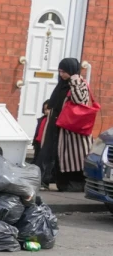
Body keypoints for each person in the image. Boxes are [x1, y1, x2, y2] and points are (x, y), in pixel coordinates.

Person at [38, 58, 93, 192]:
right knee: (52, 153)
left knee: (71, 157)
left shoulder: (79, 83)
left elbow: (80, 99)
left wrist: (74, 79)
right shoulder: (61, 85)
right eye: (60, 71)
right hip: (57, 126)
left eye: (65, 71)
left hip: (72, 130)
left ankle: (73, 185)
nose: (62, 74)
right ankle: (53, 181)